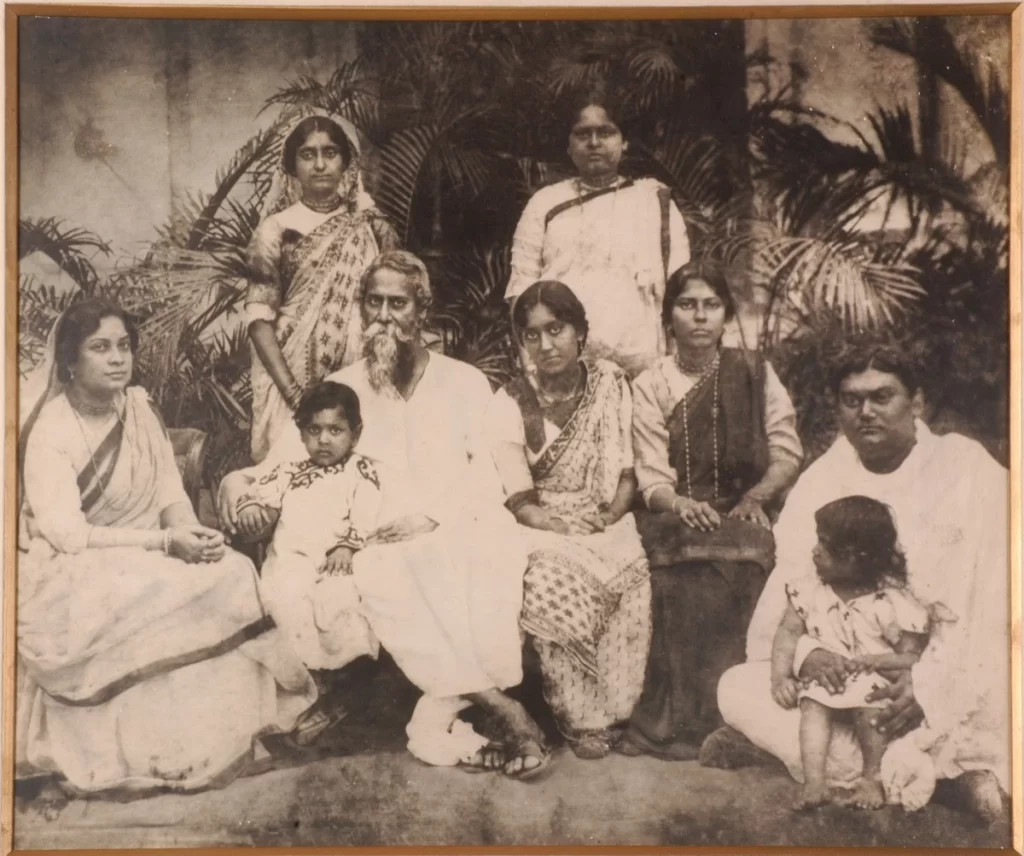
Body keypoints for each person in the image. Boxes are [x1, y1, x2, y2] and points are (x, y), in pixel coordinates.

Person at [219, 250, 549, 779]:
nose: (385, 316)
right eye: (374, 302)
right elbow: (281, 462)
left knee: (471, 553)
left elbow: (490, 475)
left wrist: (433, 517)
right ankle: (502, 710)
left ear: (424, 311)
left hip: (451, 521)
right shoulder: (343, 387)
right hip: (372, 536)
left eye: (399, 303)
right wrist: (239, 491)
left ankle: (462, 705)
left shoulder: (464, 383)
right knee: (378, 568)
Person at [15, 298, 315, 796]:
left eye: (124, 347)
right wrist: (164, 542)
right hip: (72, 565)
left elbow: (169, 494)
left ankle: (216, 739)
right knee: (153, 586)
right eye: (100, 348)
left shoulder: (137, 407)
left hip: (148, 547)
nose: (117, 358)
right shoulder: (53, 431)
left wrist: (191, 532)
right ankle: (139, 753)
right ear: (70, 361)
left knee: (232, 571)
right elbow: (67, 535)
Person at [712, 343, 1010, 823]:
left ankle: (937, 767)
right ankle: (930, 773)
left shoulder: (967, 470)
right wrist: (813, 654)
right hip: (852, 685)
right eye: (852, 400)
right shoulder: (821, 481)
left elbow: (995, 605)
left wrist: (926, 683)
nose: (866, 412)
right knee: (737, 688)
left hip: (948, 668)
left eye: (881, 397)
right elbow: (785, 608)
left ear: (917, 403)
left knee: (1004, 680)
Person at [618, 260, 803, 759]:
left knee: (750, 558)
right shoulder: (650, 384)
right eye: (687, 305)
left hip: (745, 510)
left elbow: (787, 452)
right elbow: (651, 475)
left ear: (725, 315)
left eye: (711, 305)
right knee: (682, 574)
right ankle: (681, 726)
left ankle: (742, 721)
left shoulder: (756, 372)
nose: (699, 316)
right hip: (673, 514)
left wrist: (754, 499)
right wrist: (679, 503)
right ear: (669, 317)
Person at [488, 280, 651, 760]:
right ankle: (581, 720)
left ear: (580, 331)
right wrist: (557, 526)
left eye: (556, 329)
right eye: (532, 335)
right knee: (547, 577)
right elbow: (519, 496)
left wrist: (608, 518)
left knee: (631, 572)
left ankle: (619, 712)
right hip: (542, 524)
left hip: (606, 517)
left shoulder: (609, 383)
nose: (546, 345)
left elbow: (626, 473)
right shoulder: (511, 399)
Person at [245, 109, 399, 462]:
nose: (319, 165)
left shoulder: (372, 227)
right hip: (292, 375)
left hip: (364, 374)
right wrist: (295, 395)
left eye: (330, 153)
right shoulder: (276, 230)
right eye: (307, 154)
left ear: (347, 162)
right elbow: (258, 321)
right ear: (291, 166)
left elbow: (394, 303)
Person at [234, 381, 382, 744]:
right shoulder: (289, 470)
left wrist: (347, 547)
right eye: (314, 430)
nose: (325, 440)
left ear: (355, 434)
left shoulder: (361, 471)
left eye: (336, 430)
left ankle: (336, 689)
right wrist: (252, 507)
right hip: (292, 561)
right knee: (283, 598)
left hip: (337, 561)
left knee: (339, 603)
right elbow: (259, 495)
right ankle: (302, 692)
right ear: (300, 433)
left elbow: (368, 514)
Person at [505, 91, 690, 378]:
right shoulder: (544, 203)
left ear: (624, 141)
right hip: (564, 374)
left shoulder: (655, 202)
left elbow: (681, 290)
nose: (594, 143)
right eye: (582, 134)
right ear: (568, 145)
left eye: (605, 132)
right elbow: (521, 290)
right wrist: (531, 369)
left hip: (644, 373)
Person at [771, 496, 930, 810]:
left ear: (859, 557)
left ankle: (871, 779)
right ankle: (814, 783)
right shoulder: (809, 590)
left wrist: (877, 662)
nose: (815, 550)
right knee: (812, 709)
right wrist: (780, 677)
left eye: (826, 545)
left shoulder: (889, 601)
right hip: (827, 680)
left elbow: (912, 657)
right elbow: (788, 632)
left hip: (871, 683)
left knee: (871, 710)